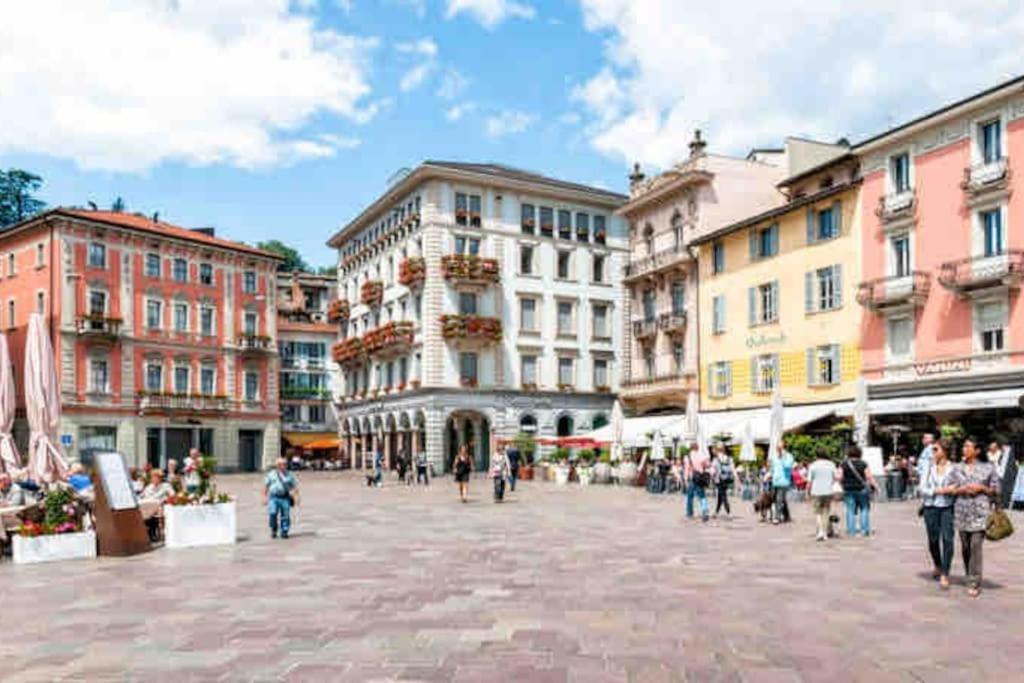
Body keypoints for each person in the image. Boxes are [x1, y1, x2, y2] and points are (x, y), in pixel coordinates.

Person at [950, 437, 1001, 598]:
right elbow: (950, 488)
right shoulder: (957, 468)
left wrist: (982, 488)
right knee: (965, 548)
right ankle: (969, 574)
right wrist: (962, 489)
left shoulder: (988, 468)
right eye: (964, 446)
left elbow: (997, 490)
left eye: (968, 446)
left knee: (975, 547)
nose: (964, 449)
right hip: (961, 512)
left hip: (981, 512)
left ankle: (974, 581)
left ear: (977, 450)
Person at [919, 438, 957, 590]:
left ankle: (945, 573)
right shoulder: (929, 467)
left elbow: (957, 486)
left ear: (944, 451)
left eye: (936, 449)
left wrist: (953, 490)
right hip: (930, 507)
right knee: (933, 539)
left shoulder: (953, 468)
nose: (933, 452)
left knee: (948, 539)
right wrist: (937, 491)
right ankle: (938, 564)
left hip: (947, 507)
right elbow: (922, 488)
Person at [839, 445, 877, 537]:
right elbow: (869, 477)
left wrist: (841, 485)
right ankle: (864, 531)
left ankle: (851, 532)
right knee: (864, 509)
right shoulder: (863, 463)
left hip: (848, 490)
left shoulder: (843, 464)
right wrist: (876, 486)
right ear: (859, 453)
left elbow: (839, 477)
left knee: (850, 510)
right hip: (861, 489)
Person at [263, 457, 299, 539]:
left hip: (284, 497)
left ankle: (284, 531)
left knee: (285, 515)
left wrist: (296, 497)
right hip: (273, 497)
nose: (282, 466)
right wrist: (264, 497)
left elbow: (293, 487)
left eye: (284, 464)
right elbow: (266, 486)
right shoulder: (271, 474)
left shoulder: (289, 475)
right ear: (277, 465)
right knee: (273, 513)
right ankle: (274, 528)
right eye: (280, 464)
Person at [807, 447, 837, 541]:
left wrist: (807, 492)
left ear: (816, 455)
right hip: (828, 490)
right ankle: (825, 533)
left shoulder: (813, 465)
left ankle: (820, 532)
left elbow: (809, 481)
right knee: (826, 512)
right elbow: (836, 477)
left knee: (818, 513)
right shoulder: (831, 464)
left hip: (816, 491)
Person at [769, 444, 795, 524]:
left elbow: (788, 466)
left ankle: (777, 517)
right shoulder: (774, 457)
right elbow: (773, 468)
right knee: (778, 499)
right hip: (775, 481)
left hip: (783, 481)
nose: (779, 450)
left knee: (779, 499)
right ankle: (787, 515)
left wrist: (783, 457)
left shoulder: (789, 457)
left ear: (784, 448)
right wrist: (769, 475)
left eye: (780, 448)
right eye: (778, 448)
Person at [684, 444, 711, 522]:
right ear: (697, 448)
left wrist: (685, 479)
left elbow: (686, 469)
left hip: (692, 478)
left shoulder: (687, 457)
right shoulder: (702, 455)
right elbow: (708, 465)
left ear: (690, 448)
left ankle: (690, 513)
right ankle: (705, 511)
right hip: (701, 478)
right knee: (702, 496)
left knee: (690, 496)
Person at [711, 444, 735, 517]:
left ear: (718, 450)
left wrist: (711, 477)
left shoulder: (716, 459)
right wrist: (736, 477)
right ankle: (716, 512)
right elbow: (733, 468)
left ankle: (728, 512)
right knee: (720, 496)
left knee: (723, 496)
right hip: (727, 478)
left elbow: (712, 470)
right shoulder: (729, 458)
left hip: (719, 479)